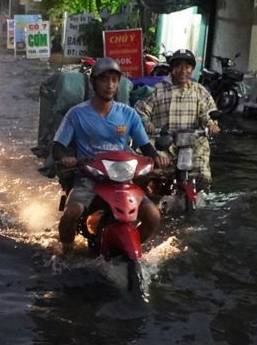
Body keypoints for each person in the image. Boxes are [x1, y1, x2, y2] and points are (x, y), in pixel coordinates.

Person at [52, 57, 170, 253]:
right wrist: (66, 157)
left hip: (122, 176)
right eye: (104, 80)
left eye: (114, 80)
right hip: (89, 176)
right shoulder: (76, 114)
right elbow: (58, 145)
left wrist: (157, 156)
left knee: (153, 216)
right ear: (94, 82)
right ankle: (66, 248)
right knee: (72, 213)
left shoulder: (129, 114)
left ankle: (130, 249)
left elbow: (145, 146)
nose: (110, 85)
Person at [134, 48, 221, 189]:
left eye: (187, 67)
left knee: (202, 176)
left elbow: (208, 112)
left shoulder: (199, 91)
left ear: (192, 69)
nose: (183, 70)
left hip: (194, 144)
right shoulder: (158, 89)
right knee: (148, 173)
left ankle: (198, 200)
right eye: (179, 66)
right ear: (172, 68)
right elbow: (140, 110)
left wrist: (211, 125)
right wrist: (146, 122)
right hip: (163, 143)